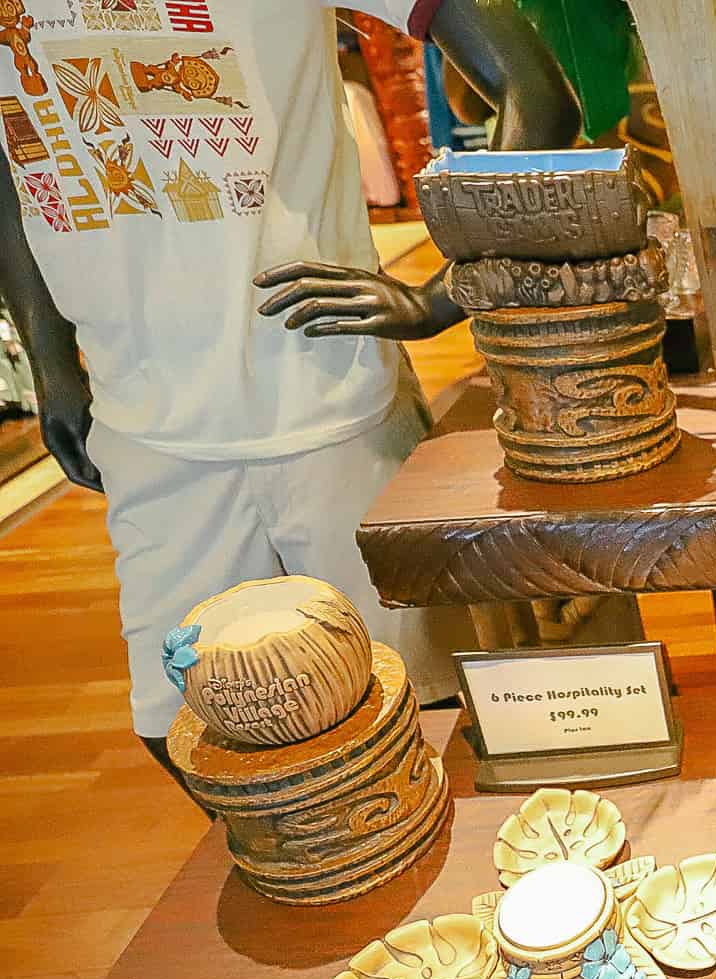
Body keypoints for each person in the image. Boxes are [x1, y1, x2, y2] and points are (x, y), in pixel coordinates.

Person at [0, 1, 578, 783]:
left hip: (326, 396)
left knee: (414, 710)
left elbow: (535, 92)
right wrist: (50, 357)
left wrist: (450, 289)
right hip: (137, 406)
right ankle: (324, 882)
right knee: (180, 726)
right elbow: (14, 143)